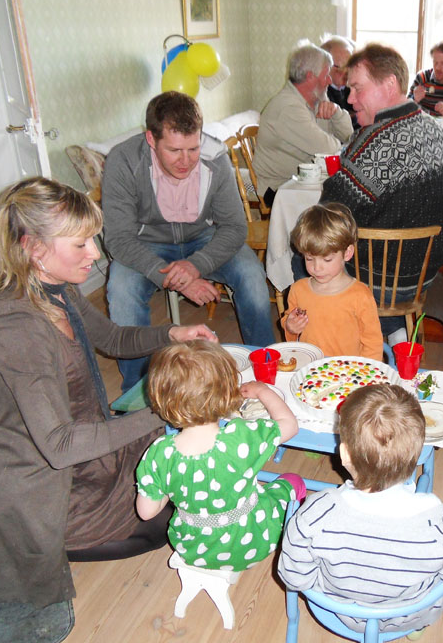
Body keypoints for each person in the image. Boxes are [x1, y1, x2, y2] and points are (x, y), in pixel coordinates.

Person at [0, 177, 218, 608]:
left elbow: (112, 338)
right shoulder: (15, 327)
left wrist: (174, 333)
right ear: (34, 248)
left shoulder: (55, 289)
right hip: (44, 484)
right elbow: (60, 446)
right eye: (80, 244)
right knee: (172, 511)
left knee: (179, 469)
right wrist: (167, 411)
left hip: (86, 451)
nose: (95, 254)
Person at [103, 91, 274, 392]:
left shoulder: (214, 156)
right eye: (174, 150)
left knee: (251, 275)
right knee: (121, 290)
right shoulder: (123, 160)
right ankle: (137, 391)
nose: (186, 161)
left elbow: (234, 227)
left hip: (202, 237)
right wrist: (178, 279)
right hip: (146, 242)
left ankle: (266, 372)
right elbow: (119, 239)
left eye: (193, 148)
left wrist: (196, 266)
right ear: (151, 139)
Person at [278, 384, 443, 633]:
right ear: (416, 455)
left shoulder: (316, 513)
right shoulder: (438, 523)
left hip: (343, 612)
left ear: (344, 454)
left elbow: (294, 577)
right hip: (413, 613)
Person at [136, 340, 304, 575]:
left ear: (161, 400)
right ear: (228, 393)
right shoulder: (242, 437)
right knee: (292, 481)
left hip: (193, 549)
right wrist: (262, 391)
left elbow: (146, 512)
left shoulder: (159, 453)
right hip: (255, 541)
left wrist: (169, 485)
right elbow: (290, 425)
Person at [320, 43, 443, 339]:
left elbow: (328, 213)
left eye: (357, 88)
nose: (350, 99)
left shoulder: (375, 141)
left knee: (305, 255)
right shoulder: (435, 129)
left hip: (378, 280)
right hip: (423, 274)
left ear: (390, 84)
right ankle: (394, 332)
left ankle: (338, 339)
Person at [254, 40, 354, 204]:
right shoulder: (287, 108)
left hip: (303, 184)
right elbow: (328, 149)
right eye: (326, 75)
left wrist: (336, 111)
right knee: (344, 202)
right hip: (279, 190)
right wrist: (344, 147)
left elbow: (349, 135)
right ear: (310, 76)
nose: (329, 81)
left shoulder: (316, 98)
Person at [282, 203, 383, 360]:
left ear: (347, 253)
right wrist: (290, 326)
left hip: (348, 370)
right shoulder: (298, 289)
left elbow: (373, 344)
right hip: (309, 366)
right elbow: (291, 332)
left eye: (327, 259)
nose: (317, 268)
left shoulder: (360, 295)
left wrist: (366, 371)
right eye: (309, 258)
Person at [320, 34, 359, 130]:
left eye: (349, 66)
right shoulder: (319, 93)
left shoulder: (355, 88)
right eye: (341, 66)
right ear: (326, 66)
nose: (346, 72)